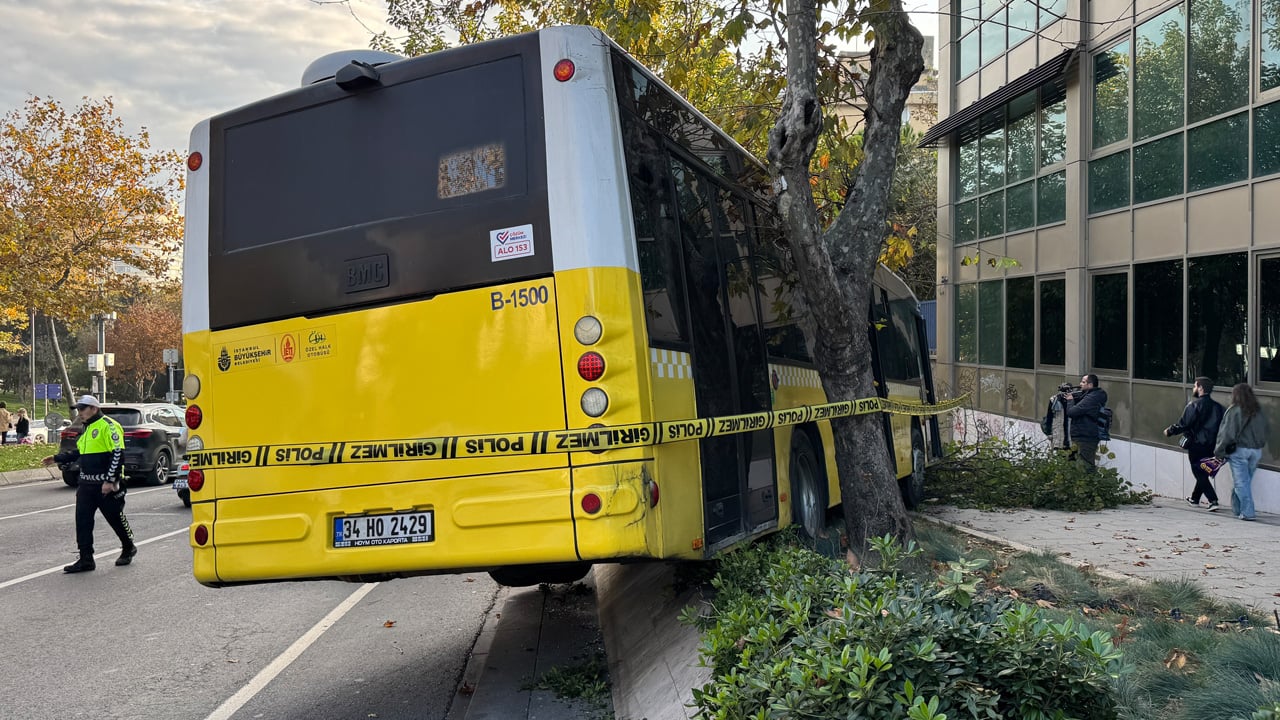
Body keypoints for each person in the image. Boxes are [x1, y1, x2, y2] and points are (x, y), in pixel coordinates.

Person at [42, 395, 136, 572]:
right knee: (83, 521)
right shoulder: (87, 427)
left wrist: (110, 480)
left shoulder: (109, 425)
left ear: (94, 408)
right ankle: (86, 559)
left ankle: (128, 546)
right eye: (78, 409)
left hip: (106, 485)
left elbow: (117, 454)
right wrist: (57, 458)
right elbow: (81, 452)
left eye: (82, 409)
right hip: (86, 484)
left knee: (115, 518)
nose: (79, 413)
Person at [1164, 377, 1225, 511]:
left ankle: (1213, 500)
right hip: (1212, 445)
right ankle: (1195, 498)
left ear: (1201, 388)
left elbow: (1184, 424)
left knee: (1198, 472)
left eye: (1195, 386)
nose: (1194, 388)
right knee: (1203, 470)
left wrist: (1170, 431)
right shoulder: (1219, 407)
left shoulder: (1194, 405)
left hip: (1197, 444)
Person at [1214, 383, 1271, 521]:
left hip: (1239, 451)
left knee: (1241, 483)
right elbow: (1266, 430)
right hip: (1256, 451)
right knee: (1244, 481)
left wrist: (1219, 452)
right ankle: (1237, 509)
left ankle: (1247, 512)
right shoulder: (1258, 411)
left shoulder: (1234, 410)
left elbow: (1227, 433)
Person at [1061, 374, 1108, 469]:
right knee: (1075, 465)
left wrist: (1070, 400)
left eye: (1083, 382)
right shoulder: (1089, 395)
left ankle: (1091, 479)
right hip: (1082, 435)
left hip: (1086, 437)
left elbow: (1071, 412)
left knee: (1086, 466)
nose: (1080, 384)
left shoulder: (1092, 398)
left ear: (1090, 385)